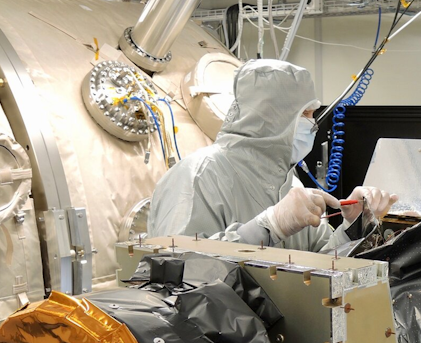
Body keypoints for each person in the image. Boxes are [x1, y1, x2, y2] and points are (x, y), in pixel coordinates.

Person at [148, 59, 397, 251]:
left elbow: (319, 264)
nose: (313, 125)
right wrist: (268, 227)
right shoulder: (197, 177)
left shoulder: (290, 184)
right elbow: (177, 269)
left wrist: (352, 226)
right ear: (271, 116)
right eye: (305, 114)